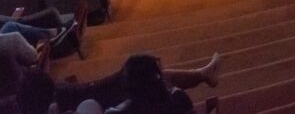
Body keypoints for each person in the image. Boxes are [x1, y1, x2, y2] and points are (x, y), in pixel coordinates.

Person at [14, 54, 221, 114]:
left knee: (145, 75)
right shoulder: (179, 99)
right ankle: (202, 74)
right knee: (148, 75)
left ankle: (202, 74)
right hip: (95, 94)